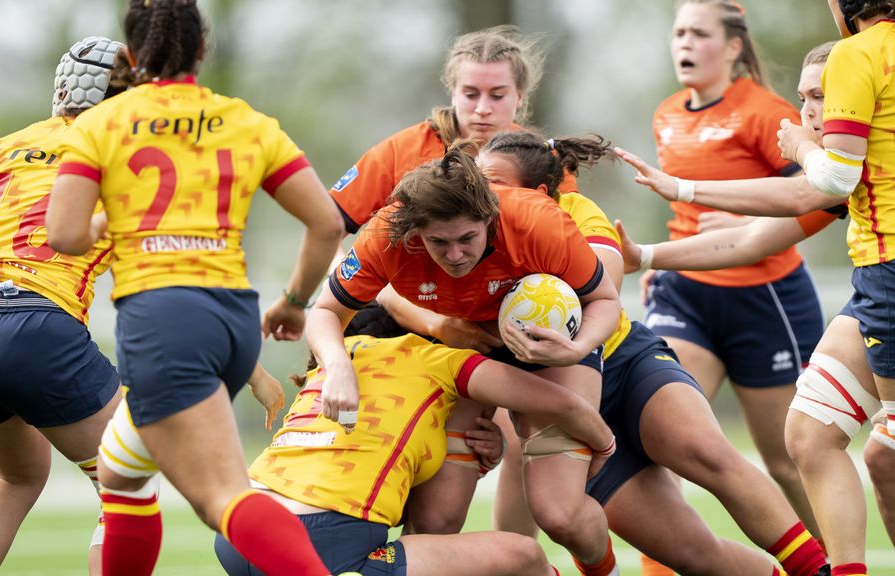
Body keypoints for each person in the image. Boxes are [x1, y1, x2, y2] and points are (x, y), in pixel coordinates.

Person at [618, 1, 895, 570]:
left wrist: (689, 186)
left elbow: (812, 186)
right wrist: (647, 255)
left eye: (823, 97)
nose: (809, 112)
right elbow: (755, 238)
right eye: (804, 98)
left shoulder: (871, 112)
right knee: (815, 435)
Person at [44, 1, 346, 575]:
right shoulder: (246, 120)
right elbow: (328, 224)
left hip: (163, 324)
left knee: (222, 499)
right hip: (232, 322)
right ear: (202, 50)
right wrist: (293, 302)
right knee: (120, 472)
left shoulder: (103, 122)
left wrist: (110, 222)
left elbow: (63, 235)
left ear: (131, 54)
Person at [476, 130, 828, 576]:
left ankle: (819, 572)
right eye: (478, 181)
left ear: (539, 193)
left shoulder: (575, 212)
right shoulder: (464, 240)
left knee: (707, 453)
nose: (481, 193)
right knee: (695, 555)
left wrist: (575, 334)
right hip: (563, 402)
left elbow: (606, 276)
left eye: (494, 183)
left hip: (626, 364)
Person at [307, 146, 622, 575]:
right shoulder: (386, 234)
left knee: (560, 515)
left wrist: (576, 347)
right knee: (435, 520)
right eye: (439, 242)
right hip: (466, 347)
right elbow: (325, 311)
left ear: (490, 219)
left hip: (550, 344)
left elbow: (604, 299)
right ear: (415, 232)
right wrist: (337, 365)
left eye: (467, 239)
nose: (455, 255)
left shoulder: (536, 220)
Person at [326, 25, 576, 538]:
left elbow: (575, 258)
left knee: (521, 439)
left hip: (498, 335)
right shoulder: (406, 151)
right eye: (470, 93)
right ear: (451, 92)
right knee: (397, 461)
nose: (482, 108)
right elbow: (334, 236)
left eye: (497, 95)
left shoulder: (539, 163)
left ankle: (515, 558)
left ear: (520, 97)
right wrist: (430, 320)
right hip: (406, 328)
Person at [214, 302, 615, 576]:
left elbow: (376, 458)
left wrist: (480, 453)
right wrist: (604, 445)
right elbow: (564, 404)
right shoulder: (437, 358)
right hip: (323, 541)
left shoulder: (335, 358)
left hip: (239, 527)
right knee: (524, 556)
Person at [639, 7, 824, 571]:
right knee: (661, 441)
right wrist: (661, 261)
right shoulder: (666, 114)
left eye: (699, 33)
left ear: (733, 47)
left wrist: (748, 226)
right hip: (684, 296)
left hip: (764, 300)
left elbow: (820, 194)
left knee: (787, 460)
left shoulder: (768, 112)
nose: (684, 43)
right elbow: (686, 216)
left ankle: (831, 563)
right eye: (678, 32)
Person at [0, 36, 125, 576]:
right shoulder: (130, 162)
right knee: (128, 479)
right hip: (39, 325)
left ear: (63, 88)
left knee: (17, 474)